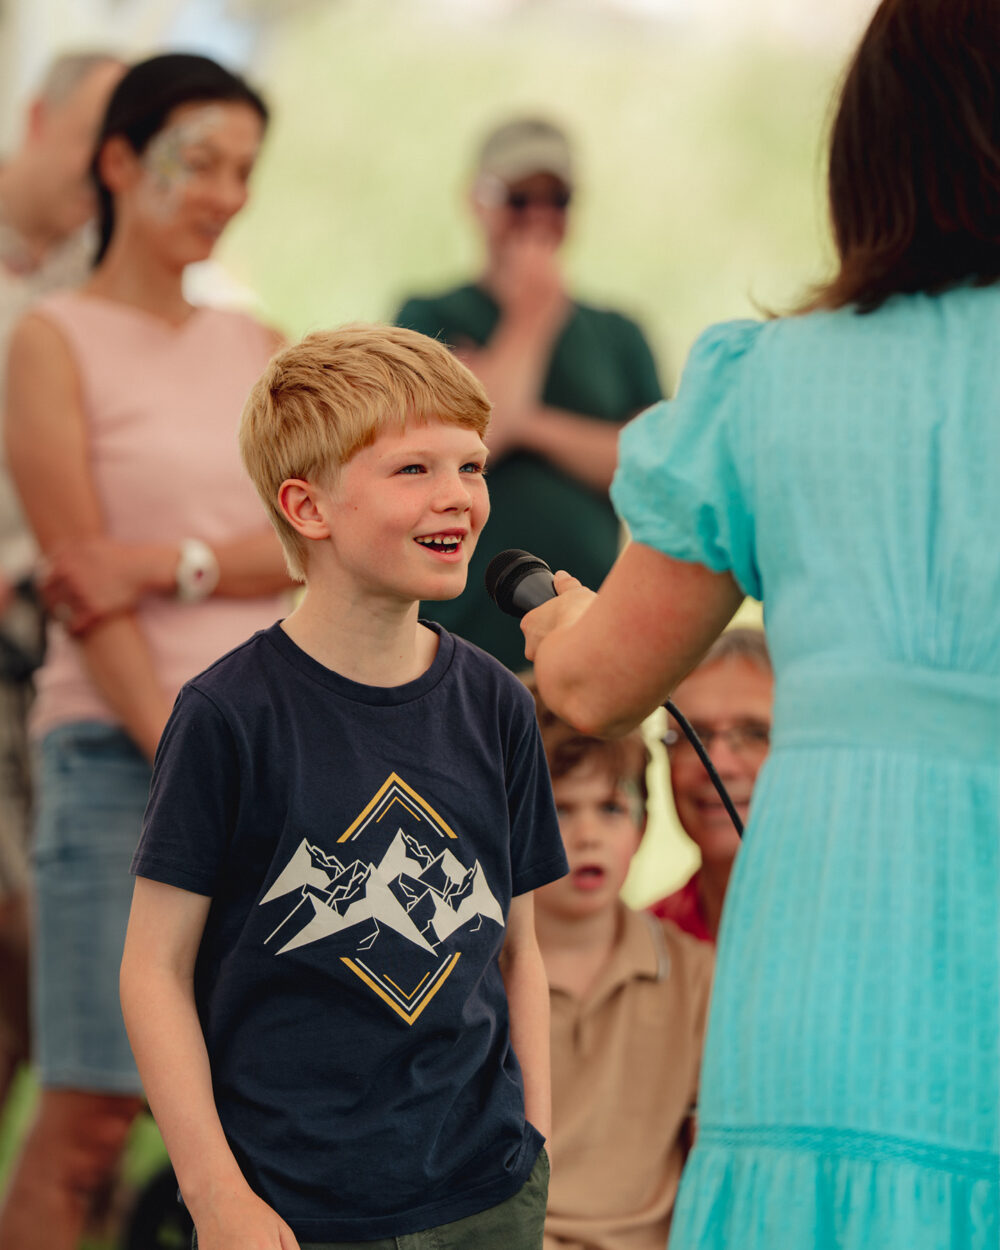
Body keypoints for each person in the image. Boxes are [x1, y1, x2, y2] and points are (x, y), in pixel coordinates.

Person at [520, 0, 1000, 1245]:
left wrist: (561, 624)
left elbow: (594, 688)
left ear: (875, 145)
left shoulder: (773, 382)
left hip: (833, 895)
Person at [119, 324, 568, 1250]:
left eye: (472, 466)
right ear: (308, 508)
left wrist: (536, 1150)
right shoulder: (226, 715)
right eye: (414, 471)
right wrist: (216, 1198)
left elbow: (519, 953)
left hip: (485, 1199)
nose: (459, 498)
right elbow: (152, 973)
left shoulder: (497, 705)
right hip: (288, 1212)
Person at [0, 54, 292, 1250]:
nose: (224, 192)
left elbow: (313, 538)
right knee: (90, 1112)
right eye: (199, 161)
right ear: (119, 162)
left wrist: (166, 559)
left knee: (255, 1111)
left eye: (243, 170)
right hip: (118, 759)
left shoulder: (256, 338)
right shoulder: (49, 340)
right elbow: (79, 582)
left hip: (264, 756)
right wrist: (188, 753)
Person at [395, 117, 662, 670]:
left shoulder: (618, 333)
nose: (539, 216)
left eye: (555, 199)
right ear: (478, 201)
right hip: (455, 640)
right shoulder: (428, 316)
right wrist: (532, 316)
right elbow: (453, 443)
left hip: (583, 639)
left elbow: (649, 465)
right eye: (520, 198)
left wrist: (527, 420)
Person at [0, 49, 124, 1113]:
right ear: (37, 114)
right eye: (97, 133)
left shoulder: (111, 276)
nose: (110, 164)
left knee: (34, 950)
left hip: (62, 652)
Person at [525, 675, 713, 1250]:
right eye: (560, 809)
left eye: (610, 807)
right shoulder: (478, 980)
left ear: (643, 822)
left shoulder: (694, 975)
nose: (587, 835)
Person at [651, 628, 772, 943]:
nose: (717, 764)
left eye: (755, 734)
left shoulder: (876, 935)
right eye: (694, 736)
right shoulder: (643, 949)